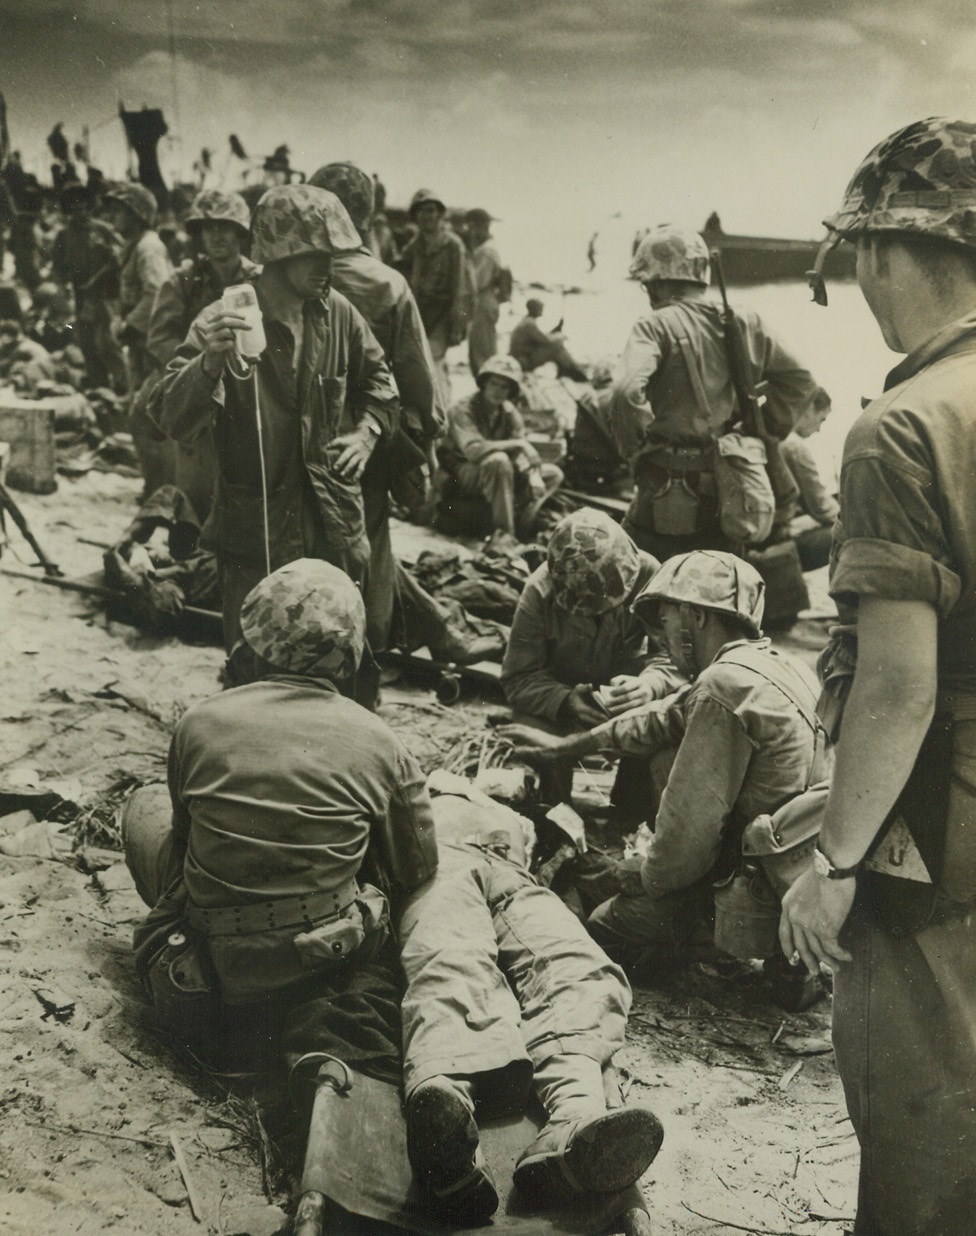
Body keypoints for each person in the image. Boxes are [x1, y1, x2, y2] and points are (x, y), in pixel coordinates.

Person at [779, 117, 976, 1236]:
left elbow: (900, 689)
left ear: (880, 252)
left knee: (921, 1128)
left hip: (939, 823)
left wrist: (836, 864)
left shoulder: (900, 428)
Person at [121, 558, 437, 1085]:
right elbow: (417, 867)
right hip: (320, 965)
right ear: (350, 656)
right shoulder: (381, 741)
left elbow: (183, 847)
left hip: (205, 976)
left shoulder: (197, 723)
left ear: (253, 640)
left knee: (142, 805)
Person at [502, 551, 825, 970]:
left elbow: (689, 830)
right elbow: (656, 721)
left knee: (604, 927)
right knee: (663, 755)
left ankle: (713, 942)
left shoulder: (721, 686)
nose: (661, 637)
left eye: (667, 619)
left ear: (698, 617)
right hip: (792, 875)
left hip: (747, 887)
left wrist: (642, 876)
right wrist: (560, 749)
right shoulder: (775, 667)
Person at [149, 184, 399, 664]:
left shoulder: (340, 314)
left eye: (334, 253)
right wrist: (208, 365)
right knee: (255, 666)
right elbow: (170, 417)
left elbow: (381, 380)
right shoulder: (219, 321)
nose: (328, 266)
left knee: (343, 662)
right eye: (315, 253)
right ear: (278, 254)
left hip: (334, 524)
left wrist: (367, 432)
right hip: (256, 530)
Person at [399, 785, 664, 1224]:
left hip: (515, 876)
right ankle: (445, 1120)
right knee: (449, 957)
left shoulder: (530, 818)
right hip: (436, 865)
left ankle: (573, 1126)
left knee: (577, 964)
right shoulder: (423, 786)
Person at [613, 225, 818, 562]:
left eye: (647, 283)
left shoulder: (653, 325)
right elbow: (800, 379)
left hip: (668, 487)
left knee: (645, 573)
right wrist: (764, 428)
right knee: (720, 575)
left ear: (658, 282)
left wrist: (631, 449)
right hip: (732, 482)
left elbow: (624, 392)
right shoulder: (746, 319)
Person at [501, 507, 684, 817]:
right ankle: (556, 823)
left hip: (625, 692)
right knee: (534, 743)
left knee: (661, 727)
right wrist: (566, 700)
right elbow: (519, 678)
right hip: (559, 697)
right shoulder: (540, 592)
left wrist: (649, 685)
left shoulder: (646, 574)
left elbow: (676, 656)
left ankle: (627, 818)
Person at [145, 189, 258, 522]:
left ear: (241, 233)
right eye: (208, 228)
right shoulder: (183, 280)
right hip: (196, 386)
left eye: (225, 227)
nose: (217, 236)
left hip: (247, 393)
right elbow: (160, 338)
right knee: (195, 490)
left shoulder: (259, 279)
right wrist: (198, 366)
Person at [439, 353, 563, 540]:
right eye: (494, 384)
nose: (499, 391)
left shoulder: (508, 412)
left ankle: (521, 523)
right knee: (499, 461)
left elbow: (519, 456)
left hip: (494, 472)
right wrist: (519, 444)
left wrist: (533, 476)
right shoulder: (462, 409)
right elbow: (473, 450)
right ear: (484, 384)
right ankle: (505, 535)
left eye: (505, 387)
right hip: (461, 473)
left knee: (552, 474)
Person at [102, 180, 174, 497]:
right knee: (145, 416)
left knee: (148, 417)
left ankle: (163, 489)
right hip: (143, 343)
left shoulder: (148, 247)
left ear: (137, 213)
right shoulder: (135, 246)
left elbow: (157, 292)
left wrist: (128, 324)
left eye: (120, 210)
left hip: (153, 344)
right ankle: (156, 485)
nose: (113, 216)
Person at [399, 188, 472, 405]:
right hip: (419, 314)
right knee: (423, 364)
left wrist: (457, 325)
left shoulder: (453, 245)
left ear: (440, 214)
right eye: (421, 211)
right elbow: (399, 269)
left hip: (443, 315)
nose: (426, 216)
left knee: (430, 361)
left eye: (431, 210)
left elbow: (461, 288)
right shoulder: (415, 244)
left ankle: (440, 412)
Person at [50, 179, 123, 390]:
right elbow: (57, 266)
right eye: (73, 207)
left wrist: (98, 278)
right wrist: (62, 286)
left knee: (108, 340)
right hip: (81, 294)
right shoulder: (63, 235)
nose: (79, 211)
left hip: (106, 292)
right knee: (86, 340)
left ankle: (122, 384)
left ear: (88, 206)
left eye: (82, 206)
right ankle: (98, 384)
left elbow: (119, 257)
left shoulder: (103, 230)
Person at [778, 386, 839, 571]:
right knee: (852, 536)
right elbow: (822, 507)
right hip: (779, 538)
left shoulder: (776, 435)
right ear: (809, 408)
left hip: (764, 529)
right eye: (821, 419)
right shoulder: (793, 445)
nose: (819, 429)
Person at [464, 207, 511, 375]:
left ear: (481, 227)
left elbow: (476, 282)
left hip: (484, 300)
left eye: (471, 227)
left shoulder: (487, 250)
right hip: (485, 300)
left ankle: (487, 391)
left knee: (482, 354)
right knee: (481, 350)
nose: (469, 232)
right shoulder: (487, 248)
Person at [509, 297, 588, 382]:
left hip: (522, 358)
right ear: (534, 309)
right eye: (541, 308)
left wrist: (556, 333)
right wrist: (560, 336)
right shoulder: (529, 324)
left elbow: (540, 339)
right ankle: (574, 372)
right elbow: (545, 340)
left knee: (558, 347)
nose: (542, 310)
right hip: (523, 361)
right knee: (558, 347)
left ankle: (570, 371)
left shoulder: (526, 321)